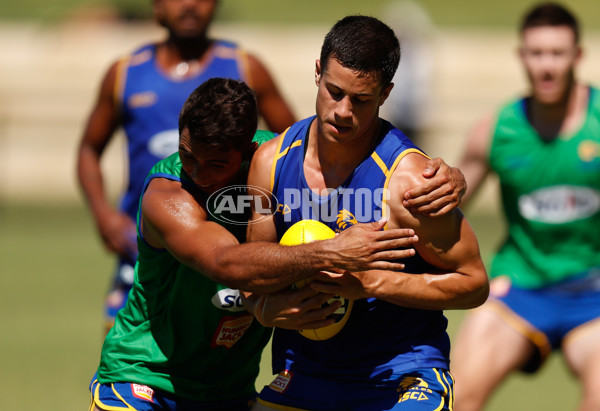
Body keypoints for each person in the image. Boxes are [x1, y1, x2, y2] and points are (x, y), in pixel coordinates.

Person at [88, 78, 429, 411]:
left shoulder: (275, 161)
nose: (197, 173)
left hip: (230, 391)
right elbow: (228, 264)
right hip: (144, 377)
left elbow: (353, 158)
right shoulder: (167, 196)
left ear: (248, 152)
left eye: (216, 164)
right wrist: (332, 251)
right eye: (188, 156)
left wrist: (439, 175)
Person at [245, 15, 489, 411]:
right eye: (334, 91)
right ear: (318, 73)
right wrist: (263, 308)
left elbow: (473, 283)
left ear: (385, 93)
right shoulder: (270, 164)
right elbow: (253, 273)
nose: (342, 111)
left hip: (400, 378)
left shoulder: (410, 181)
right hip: (304, 375)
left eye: (360, 99)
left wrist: (373, 283)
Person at [76, 0, 296, 333]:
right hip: (145, 245)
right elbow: (89, 150)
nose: (190, 4)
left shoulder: (247, 68)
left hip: (226, 245)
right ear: (157, 7)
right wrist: (104, 215)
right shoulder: (123, 75)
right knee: (128, 340)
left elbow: (293, 152)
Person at [450, 3, 600, 411]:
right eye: (536, 53)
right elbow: (443, 212)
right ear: (522, 56)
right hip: (519, 287)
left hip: (593, 293)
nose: (546, 66)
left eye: (557, 53)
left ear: (577, 56)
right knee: (456, 399)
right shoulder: (496, 131)